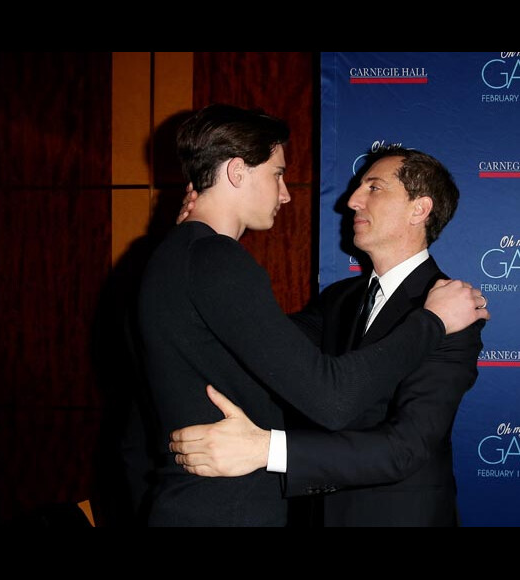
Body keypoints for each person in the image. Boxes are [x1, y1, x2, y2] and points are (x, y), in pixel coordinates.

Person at [137, 104, 488, 527]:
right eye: (279, 174)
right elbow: (256, 345)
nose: (351, 199)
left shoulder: (456, 309)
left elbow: (403, 449)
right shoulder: (340, 299)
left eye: (373, 187)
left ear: (419, 209)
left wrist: (265, 448)